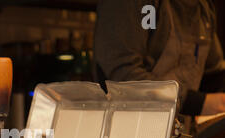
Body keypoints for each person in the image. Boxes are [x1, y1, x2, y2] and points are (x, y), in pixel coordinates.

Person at [94, 0, 225, 116]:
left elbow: (212, 74)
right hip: (128, 127)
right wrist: (196, 103)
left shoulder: (203, 7)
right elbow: (122, 77)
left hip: (178, 132)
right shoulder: (135, 5)